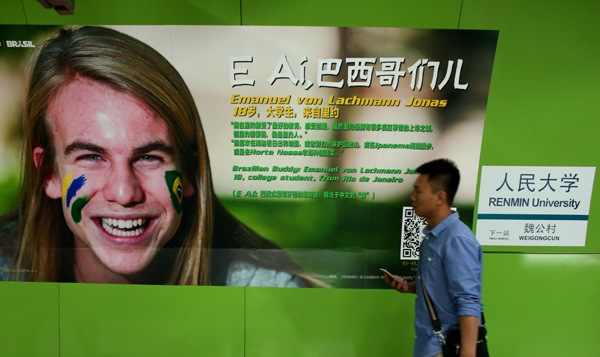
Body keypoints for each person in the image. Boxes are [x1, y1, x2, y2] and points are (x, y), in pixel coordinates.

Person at [0, 26, 315, 287]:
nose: (124, 193)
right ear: (48, 174)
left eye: (149, 157)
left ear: (190, 170)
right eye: (92, 157)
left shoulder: (264, 296)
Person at [384, 159, 483, 357]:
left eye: (419, 192)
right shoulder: (433, 236)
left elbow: (468, 300)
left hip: (445, 348)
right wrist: (409, 286)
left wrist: (468, 352)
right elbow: (438, 286)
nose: (413, 197)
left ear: (440, 197)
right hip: (428, 346)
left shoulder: (457, 239)